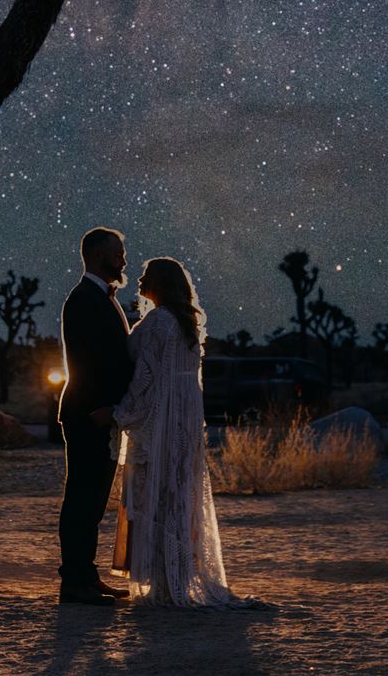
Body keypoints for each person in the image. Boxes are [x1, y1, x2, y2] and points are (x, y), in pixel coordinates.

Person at [91, 257, 261, 608]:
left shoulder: (156, 325)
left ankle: (163, 583)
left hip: (160, 430)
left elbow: (145, 382)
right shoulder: (186, 327)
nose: (138, 279)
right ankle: (175, 577)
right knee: (178, 499)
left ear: (161, 284)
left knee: (153, 500)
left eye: (146, 276)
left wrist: (119, 415)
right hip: (182, 430)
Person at [55, 226, 134, 605]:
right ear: (99, 253)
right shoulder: (84, 299)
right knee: (82, 500)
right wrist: (100, 410)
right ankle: (74, 582)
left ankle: (85, 577)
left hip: (101, 414)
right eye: (118, 252)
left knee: (93, 500)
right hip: (90, 414)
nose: (123, 259)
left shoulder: (101, 297)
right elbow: (89, 363)